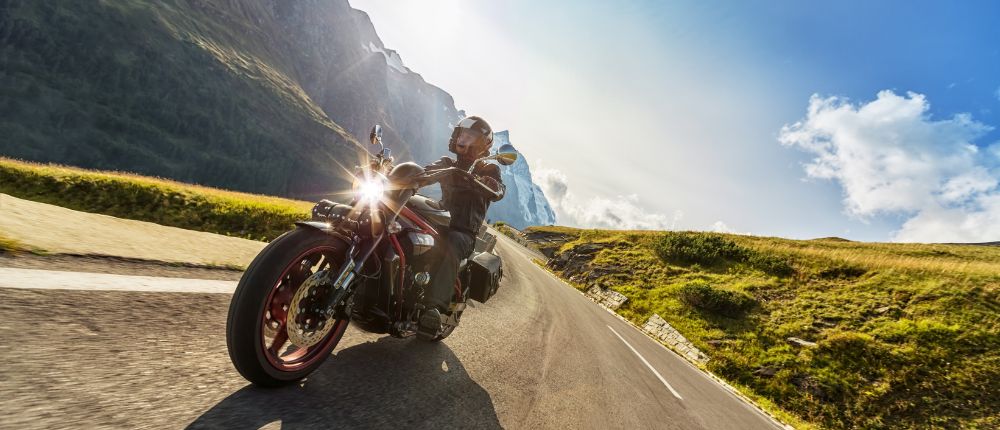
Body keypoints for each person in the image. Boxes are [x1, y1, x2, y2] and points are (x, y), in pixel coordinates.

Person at [417, 116, 505, 340]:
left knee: (452, 244)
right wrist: (410, 176)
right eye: (461, 133)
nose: (462, 138)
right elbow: (424, 173)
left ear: (481, 143)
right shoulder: (448, 163)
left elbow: (498, 190)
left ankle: (433, 309)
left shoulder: (489, 170)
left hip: (463, 232)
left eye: (469, 136)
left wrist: (490, 184)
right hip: (439, 221)